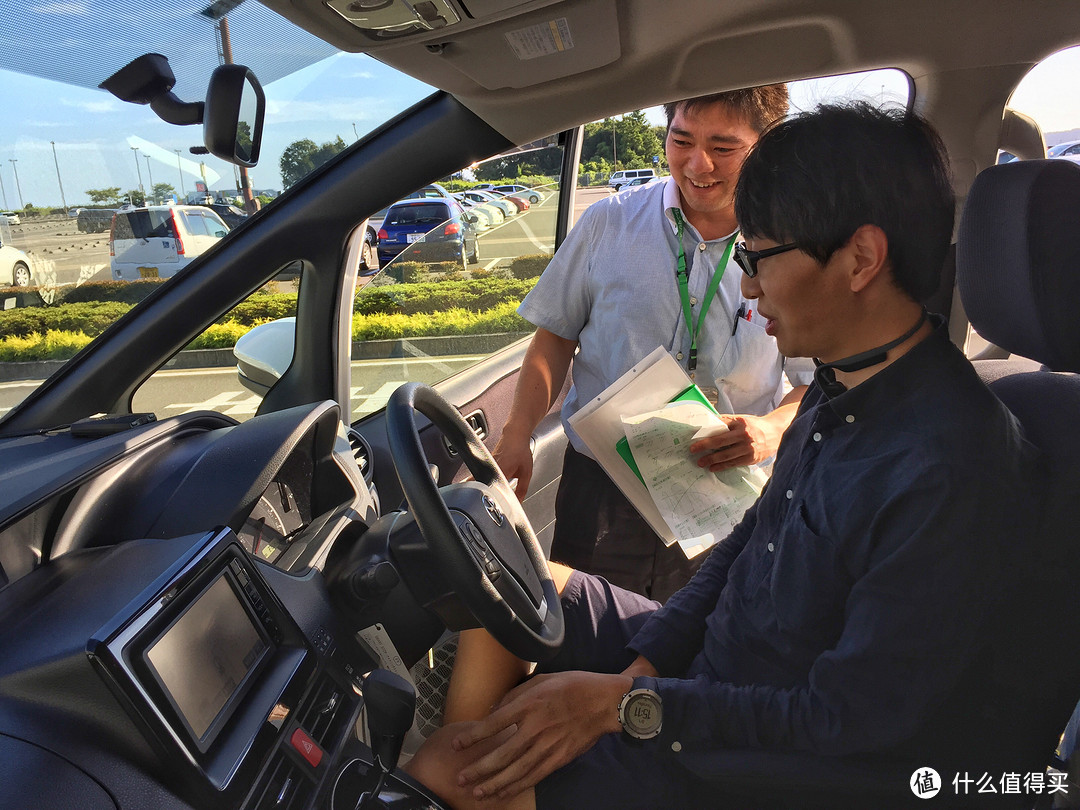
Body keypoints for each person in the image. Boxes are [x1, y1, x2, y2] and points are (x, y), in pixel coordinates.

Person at [405, 102, 1038, 809]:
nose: (747, 285)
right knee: (513, 583)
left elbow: (844, 721)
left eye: (761, 257)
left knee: (440, 768)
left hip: (740, 750)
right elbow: (746, 546)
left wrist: (627, 708)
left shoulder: (948, 468)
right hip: (707, 667)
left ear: (861, 259)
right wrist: (639, 671)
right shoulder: (845, 383)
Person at [496, 85, 810, 601]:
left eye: (723, 148)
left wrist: (773, 428)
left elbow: (810, 380)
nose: (697, 165)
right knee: (589, 644)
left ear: (765, 146)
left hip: (726, 490)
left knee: (701, 647)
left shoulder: (791, 241)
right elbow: (554, 339)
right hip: (604, 485)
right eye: (681, 140)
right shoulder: (607, 223)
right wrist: (516, 432)